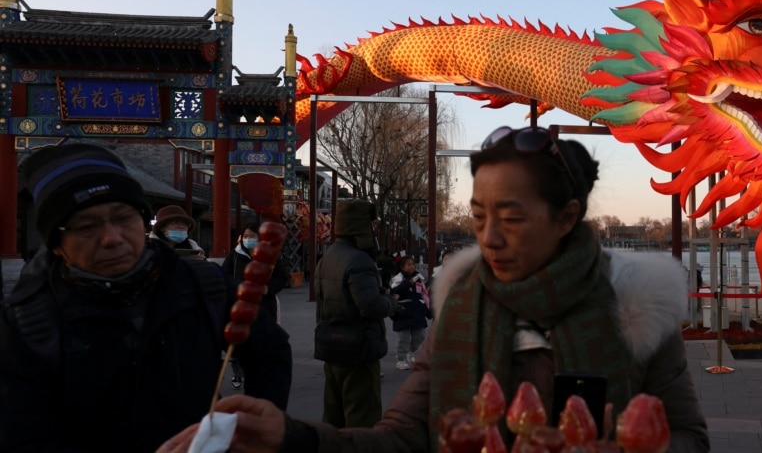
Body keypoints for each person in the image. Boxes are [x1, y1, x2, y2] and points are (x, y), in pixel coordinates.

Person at [159, 125, 710, 453]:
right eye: (478, 216)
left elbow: (691, 438)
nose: (489, 239)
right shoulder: (462, 311)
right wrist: (294, 437)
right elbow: (400, 439)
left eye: (512, 218)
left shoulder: (636, 310)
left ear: (566, 217)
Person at [0, 143, 293, 452]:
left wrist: (249, 426)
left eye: (124, 218)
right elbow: (22, 430)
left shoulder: (202, 285)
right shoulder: (27, 319)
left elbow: (269, 350)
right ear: (56, 243)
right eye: (86, 226)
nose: (112, 238)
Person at [315, 198, 400, 428]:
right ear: (359, 227)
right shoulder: (359, 259)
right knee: (362, 419)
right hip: (358, 348)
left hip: (332, 345)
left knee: (333, 418)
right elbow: (370, 306)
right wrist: (390, 303)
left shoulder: (329, 256)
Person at [223, 221, 291, 388]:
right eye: (245, 236)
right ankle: (238, 372)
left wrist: (270, 288)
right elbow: (224, 276)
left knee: (262, 340)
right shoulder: (235, 256)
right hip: (239, 304)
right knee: (239, 341)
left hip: (265, 305)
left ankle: (261, 372)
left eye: (252, 236)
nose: (248, 239)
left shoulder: (271, 255)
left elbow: (282, 277)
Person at [389, 254, 431, 370]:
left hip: (417, 312)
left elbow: (424, 294)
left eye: (413, 264)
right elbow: (394, 292)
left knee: (420, 335)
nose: (412, 267)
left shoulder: (419, 278)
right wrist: (407, 284)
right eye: (409, 265)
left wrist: (428, 310)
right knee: (403, 338)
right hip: (403, 313)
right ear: (402, 267)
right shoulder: (397, 279)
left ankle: (412, 353)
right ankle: (401, 359)